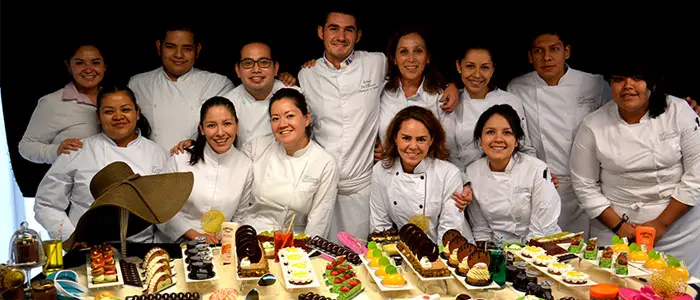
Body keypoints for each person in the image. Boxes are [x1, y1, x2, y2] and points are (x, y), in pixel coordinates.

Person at [298, 9, 459, 242]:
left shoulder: (376, 63)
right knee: (315, 251)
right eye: (334, 28)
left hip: (361, 184)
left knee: (358, 254)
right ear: (321, 32)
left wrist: (451, 84)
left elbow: (414, 70)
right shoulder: (307, 74)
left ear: (358, 35)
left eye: (348, 30)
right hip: (322, 182)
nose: (341, 36)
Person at [570, 54, 700, 277]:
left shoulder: (680, 112)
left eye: (637, 78)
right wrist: (621, 228)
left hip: (677, 230)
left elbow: (697, 174)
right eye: (619, 79)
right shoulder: (593, 124)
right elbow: (584, 184)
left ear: (652, 83)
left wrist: (661, 224)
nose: (627, 86)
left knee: (675, 288)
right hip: (615, 231)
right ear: (610, 85)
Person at [507, 29, 610, 238]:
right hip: (543, 181)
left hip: (588, 182)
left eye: (554, 49)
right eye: (539, 51)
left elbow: (615, 122)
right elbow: (516, 134)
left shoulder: (594, 84)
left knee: (583, 251)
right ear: (530, 56)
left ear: (567, 52)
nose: (547, 57)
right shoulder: (517, 87)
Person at [34, 85, 168, 243]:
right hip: (87, 248)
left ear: (137, 113)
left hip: (142, 249)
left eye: (125, 110)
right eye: (109, 111)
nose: (118, 116)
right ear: (98, 117)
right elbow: (46, 203)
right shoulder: (77, 151)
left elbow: (167, 208)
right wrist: (71, 238)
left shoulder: (158, 154)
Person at [240, 88, 338, 238]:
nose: (282, 124)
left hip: (293, 245)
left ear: (306, 119)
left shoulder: (324, 163)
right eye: (275, 118)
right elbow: (238, 202)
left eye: (290, 116)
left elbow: (319, 222)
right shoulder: (256, 148)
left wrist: (303, 256)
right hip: (250, 236)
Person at [157, 97, 253, 244]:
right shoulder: (181, 158)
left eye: (227, 124)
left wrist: (223, 240)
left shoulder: (245, 165)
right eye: (211, 125)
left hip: (221, 246)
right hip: (177, 243)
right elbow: (160, 206)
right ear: (201, 129)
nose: (220, 133)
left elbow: (241, 214)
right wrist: (197, 236)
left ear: (237, 125)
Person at [128, 23, 235, 151]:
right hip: (150, 164)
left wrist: (196, 143)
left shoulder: (218, 84)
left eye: (187, 48)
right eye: (170, 47)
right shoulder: (138, 84)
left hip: (197, 162)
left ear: (198, 50)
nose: (178, 55)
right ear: (159, 47)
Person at [467, 104, 561, 243]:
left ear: (516, 141)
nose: (498, 139)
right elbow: (481, 230)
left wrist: (523, 257)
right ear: (480, 139)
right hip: (497, 250)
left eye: (507, 133)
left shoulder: (536, 169)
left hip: (540, 249)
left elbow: (542, 229)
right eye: (490, 132)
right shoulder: (472, 172)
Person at [370, 106, 466, 243]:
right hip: (399, 251)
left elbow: (449, 230)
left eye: (421, 139)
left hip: (441, 253)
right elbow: (380, 223)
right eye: (406, 138)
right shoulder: (381, 170)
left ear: (431, 140)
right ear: (395, 138)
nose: (413, 146)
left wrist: (435, 261)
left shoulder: (449, 174)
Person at [19, 42, 105, 164]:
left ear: (104, 66)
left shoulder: (114, 99)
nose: (89, 69)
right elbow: (26, 147)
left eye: (95, 62)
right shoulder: (52, 103)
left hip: (113, 178)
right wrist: (56, 151)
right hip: (73, 180)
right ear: (69, 66)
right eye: (79, 63)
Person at [223, 41, 301, 148]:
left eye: (264, 62)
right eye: (248, 63)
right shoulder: (226, 105)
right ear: (238, 70)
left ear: (275, 68)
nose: (256, 69)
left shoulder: (296, 96)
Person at [378, 27, 445, 146]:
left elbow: (444, 144)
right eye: (404, 52)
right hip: (385, 164)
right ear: (394, 58)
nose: (411, 59)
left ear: (428, 58)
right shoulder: (380, 91)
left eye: (418, 51)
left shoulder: (440, 97)